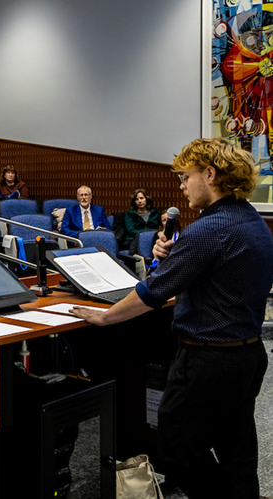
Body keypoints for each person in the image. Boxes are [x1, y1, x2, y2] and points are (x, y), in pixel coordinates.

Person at [71, 138, 273, 499]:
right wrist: (179, 255)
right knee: (237, 450)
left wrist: (105, 319)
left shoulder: (209, 230)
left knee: (177, 450)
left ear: (209, 175)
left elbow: (153, 292)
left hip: (208, 359)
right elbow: (219, 273)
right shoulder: (251, 219)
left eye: (185, 177)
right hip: (248, 355)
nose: (181, 186)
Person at [124, 188, 160, 253]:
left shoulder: (155, 213)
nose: (139, 201)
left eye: (141, 198)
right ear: (134, 202)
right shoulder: (130, 214)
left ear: (146, 199)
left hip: (153, 240)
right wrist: (146, 234)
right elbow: (131, 230)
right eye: (137, 199)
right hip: (134, 241)